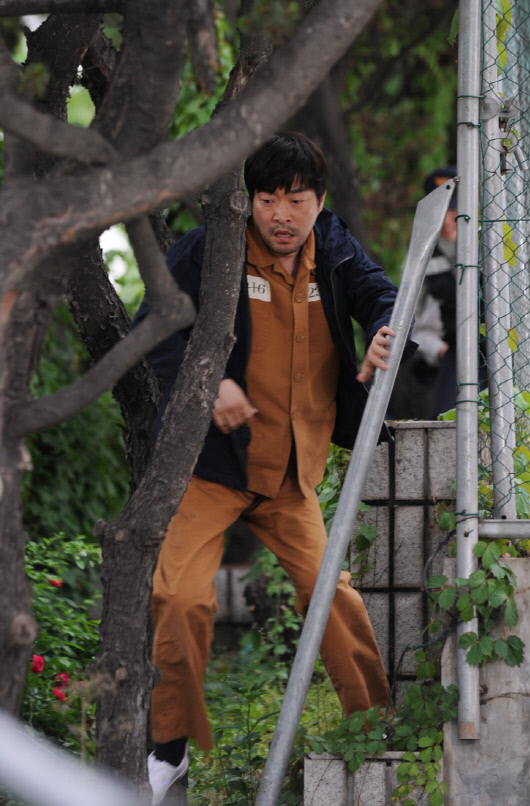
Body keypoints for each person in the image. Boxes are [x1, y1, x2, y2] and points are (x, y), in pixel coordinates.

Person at [135, 132, 416, 805]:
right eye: (267, 199)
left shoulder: (337, 249)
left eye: (296, 200)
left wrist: (384, 334)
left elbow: (386, 298)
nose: (281, 215)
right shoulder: (212, 250)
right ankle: (168, 750)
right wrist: (209, 382)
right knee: (179, 598)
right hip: (213, 466)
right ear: (250, 200)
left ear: (319, 201)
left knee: (332, 596)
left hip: (293, 473)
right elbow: (156, 327)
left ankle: (373, 729)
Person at [389, 166, 457, 420]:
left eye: (454, 211)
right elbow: (411, 321)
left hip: (498, 343)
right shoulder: (422, 254)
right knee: (445, 416)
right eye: (440, 211)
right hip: (451, 348)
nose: (446, 221)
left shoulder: (494, 240)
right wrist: (438, 350)